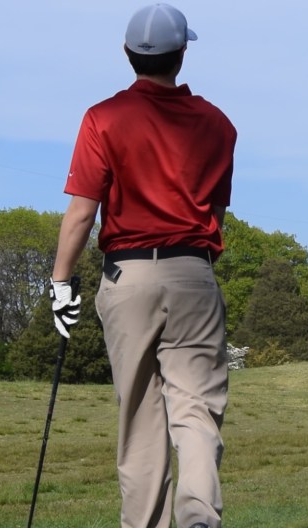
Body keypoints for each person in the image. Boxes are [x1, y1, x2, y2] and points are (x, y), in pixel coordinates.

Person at [49, 4, 237, 528]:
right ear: (182, 54)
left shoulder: (103, 118)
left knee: (139, 416)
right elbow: (215, 211)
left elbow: (83, 211)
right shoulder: (218, 125)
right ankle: (199, 517)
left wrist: (61, 283)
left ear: (128, 55)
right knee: (195, 409)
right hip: (194, 274)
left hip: (127, 276)